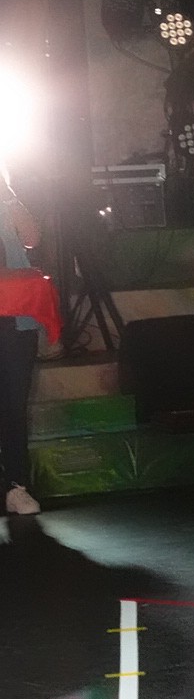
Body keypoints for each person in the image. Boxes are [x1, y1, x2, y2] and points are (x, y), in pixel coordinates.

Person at [1, 174, 43, 516]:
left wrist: (9, 197)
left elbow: (32, 237)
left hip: (15, 317)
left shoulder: (6, 204)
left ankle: (16, 487)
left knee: (14, 404)